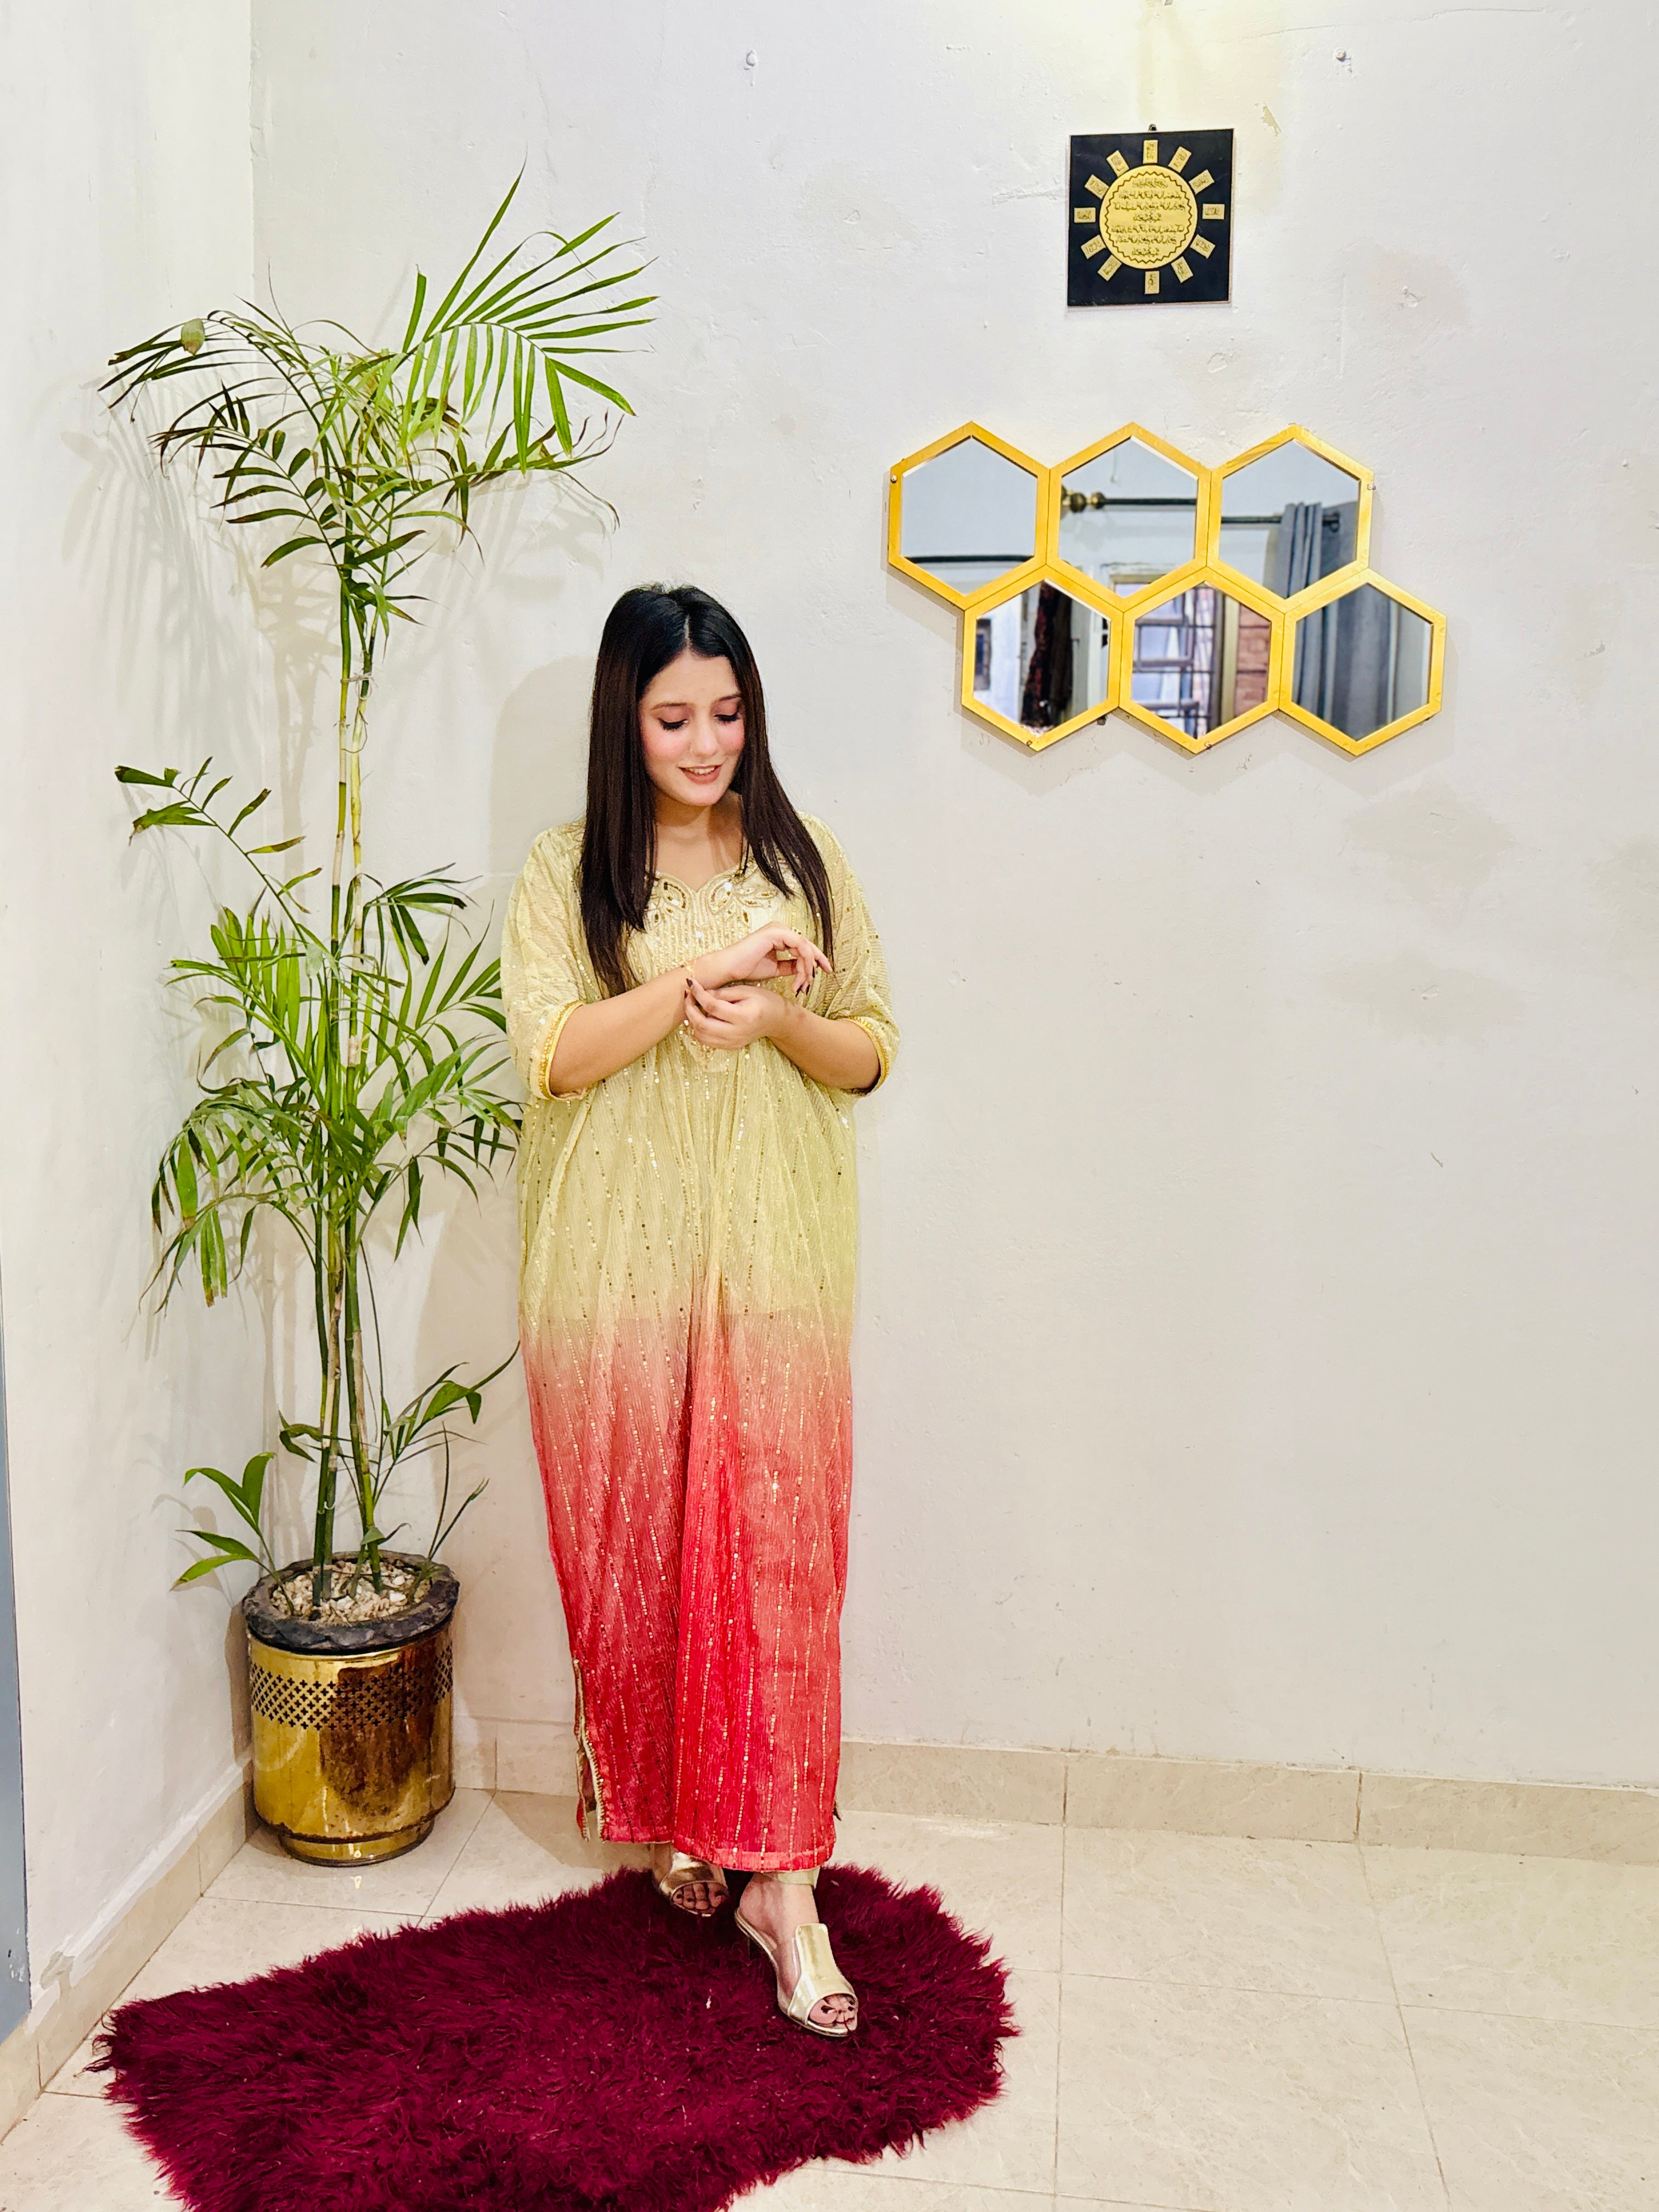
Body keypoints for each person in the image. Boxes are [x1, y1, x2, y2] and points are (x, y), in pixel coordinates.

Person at [501, 584, 898, 2038]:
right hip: (614, 1273)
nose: (708, 742)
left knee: (777, 1554)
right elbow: (555, 1051)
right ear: (626, 719)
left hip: (778, 1266)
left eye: (729, 713)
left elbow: (871, 1055)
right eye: (676, 717)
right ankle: (687, 1824)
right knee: (649, 1551)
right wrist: (695, 983)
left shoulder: (804, 860)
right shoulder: (567, 874)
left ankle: (784, 1884)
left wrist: (785, 1017)